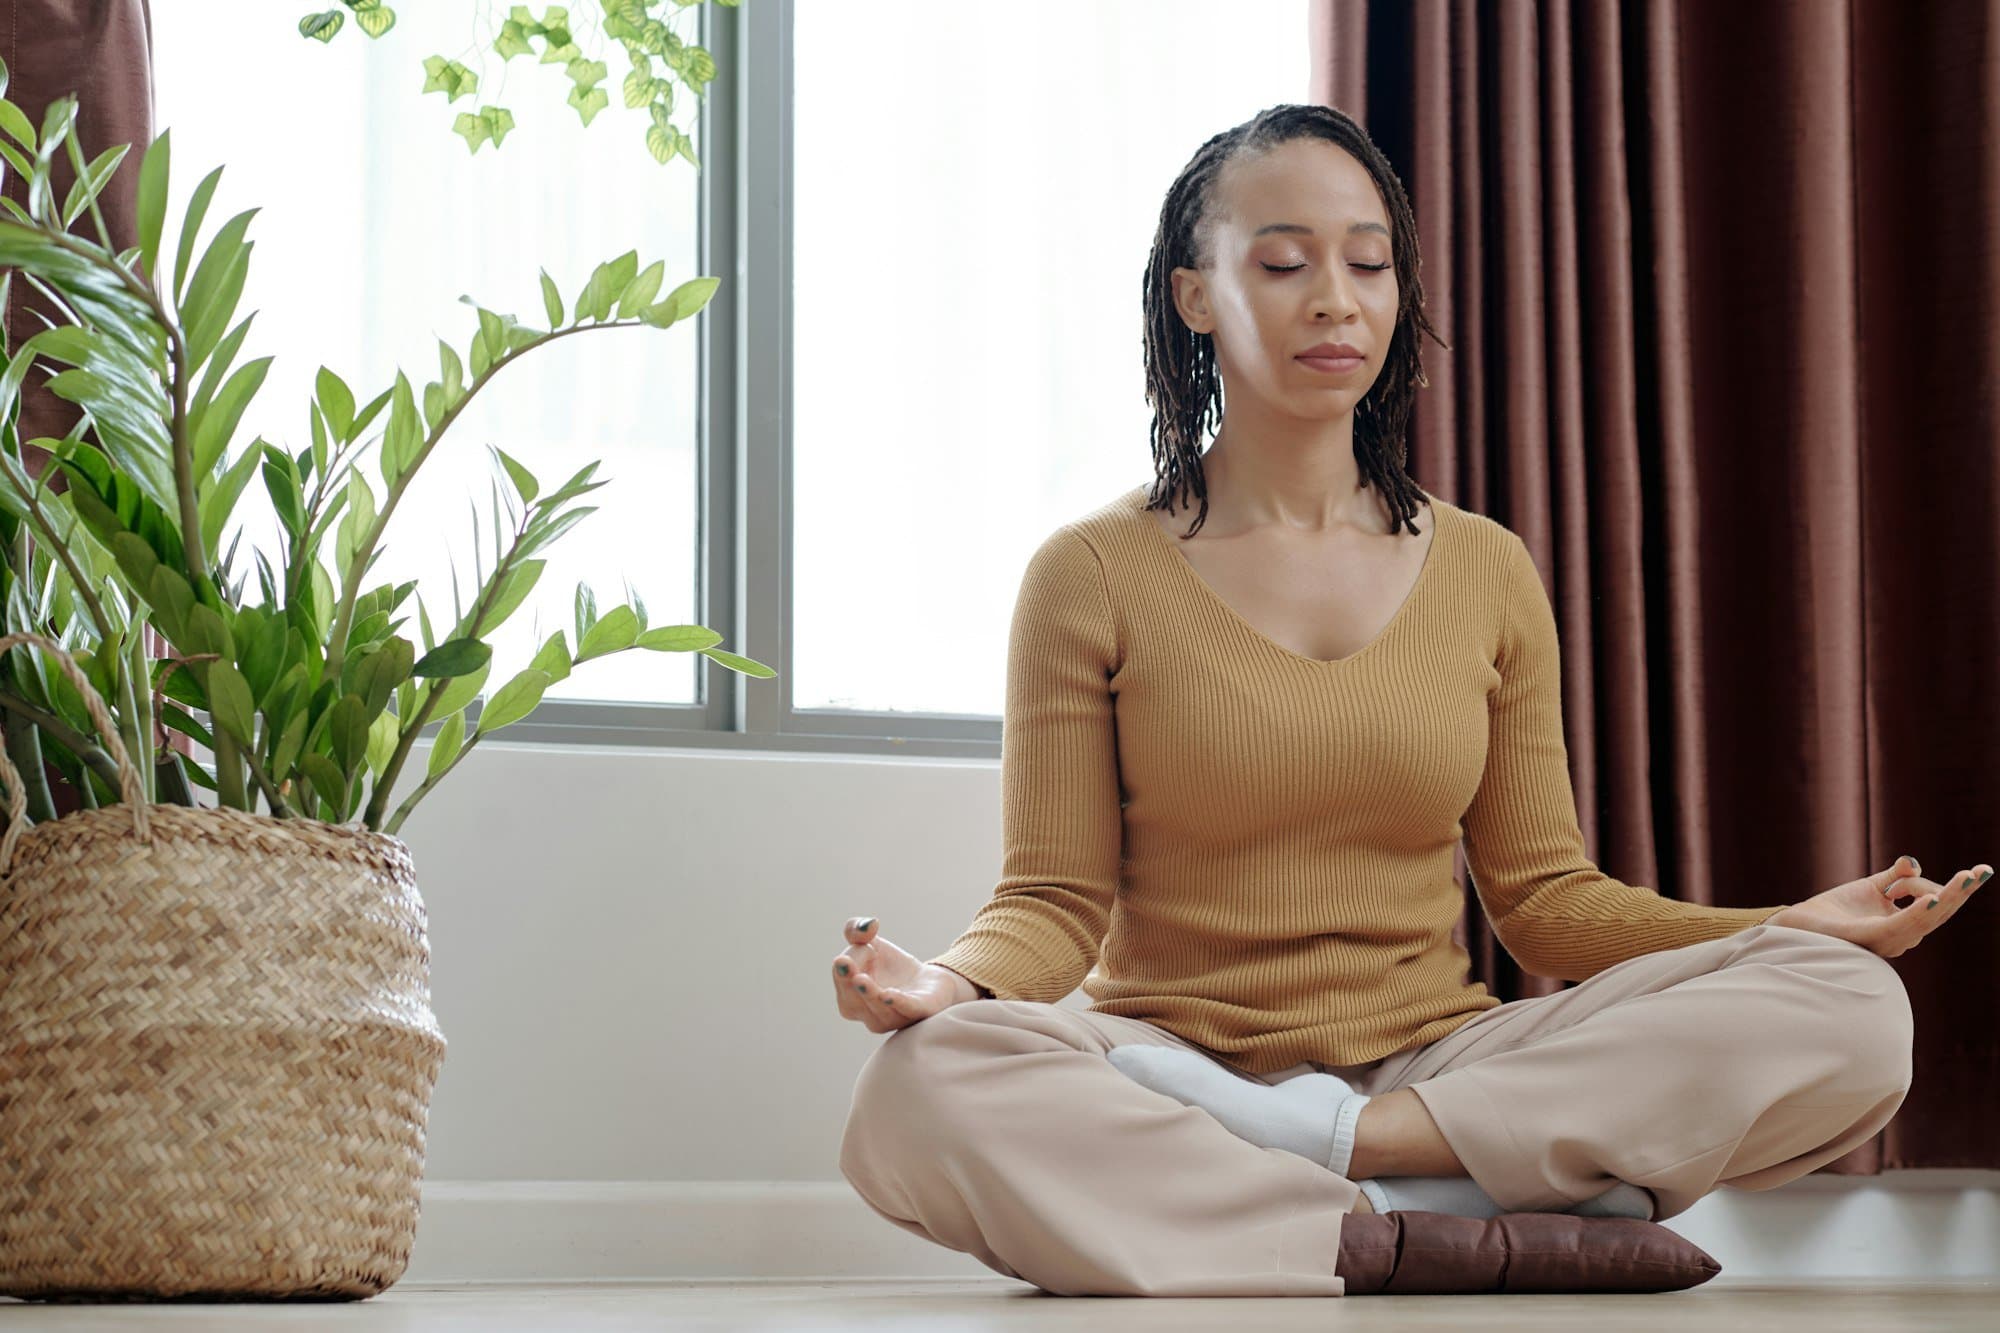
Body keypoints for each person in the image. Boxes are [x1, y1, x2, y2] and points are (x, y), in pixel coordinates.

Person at [830, 102, 1986, 1298]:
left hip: (1440, 1068)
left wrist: (1782, 927)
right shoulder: (1088, 572)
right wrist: (949, 985)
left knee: (1852, 1007)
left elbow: (1546, 903)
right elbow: (1052, 901)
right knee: (920, 1086)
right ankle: (1416, 1221)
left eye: (1368, 263)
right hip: (1171, 1067)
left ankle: (1347, 1167)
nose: (1335, 300)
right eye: (1283, 264)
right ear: (1193, 296)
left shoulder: (1485, 566)